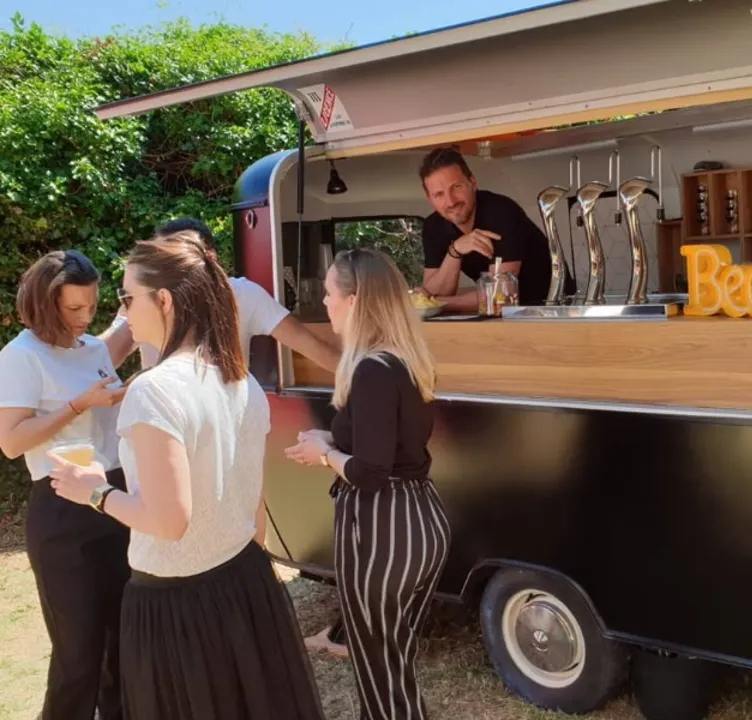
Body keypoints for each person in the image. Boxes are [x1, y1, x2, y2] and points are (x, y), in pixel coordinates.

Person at [47, 235, 326, 720]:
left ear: (165, 300)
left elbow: (169, 521)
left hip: (176, 607)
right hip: (245, 582)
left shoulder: (155, 391)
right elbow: (253, 503)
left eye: (127, 297)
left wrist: (92, 490)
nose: (122, 311)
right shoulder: (238, 379)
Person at [284, 247, 451, 720]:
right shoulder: (404, 359)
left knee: (379, 670)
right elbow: (389, 444)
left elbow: (371, 474)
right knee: (393, 665)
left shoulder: (372, 369)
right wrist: (328, 437)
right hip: (420, 520)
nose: (326, 304)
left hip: (383, 528)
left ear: (355, 300)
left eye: (331, 294)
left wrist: (326, 455)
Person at [0, 249, 128, 720]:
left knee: (122, 639)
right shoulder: (20, 357)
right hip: (60, 509)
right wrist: (77, 405)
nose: (84, 317)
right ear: (43, 303)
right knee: (78, 652)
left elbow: (110, 419)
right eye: (73, 309)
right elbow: (11, 442)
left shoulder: (95, 349)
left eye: (91, 307)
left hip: (115, 499)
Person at [99, 217, 340, 372]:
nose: (167, 265)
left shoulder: (243, 294)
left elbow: (313, 348)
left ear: (209, 258)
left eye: (179, 255)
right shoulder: (144, 299)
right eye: (162, 256)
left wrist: (368, 381)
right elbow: (102, 361)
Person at [418, 147, 575, 311]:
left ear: (472, 183)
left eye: (456, 187)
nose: (450, 201)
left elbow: (500, 297)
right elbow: (431, 293)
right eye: (439, 194)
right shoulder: (433, 226)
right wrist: (455, 251)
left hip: (552, 308)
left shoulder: (501, 212)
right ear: (430, 199)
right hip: (505, 315)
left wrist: (440, 302)